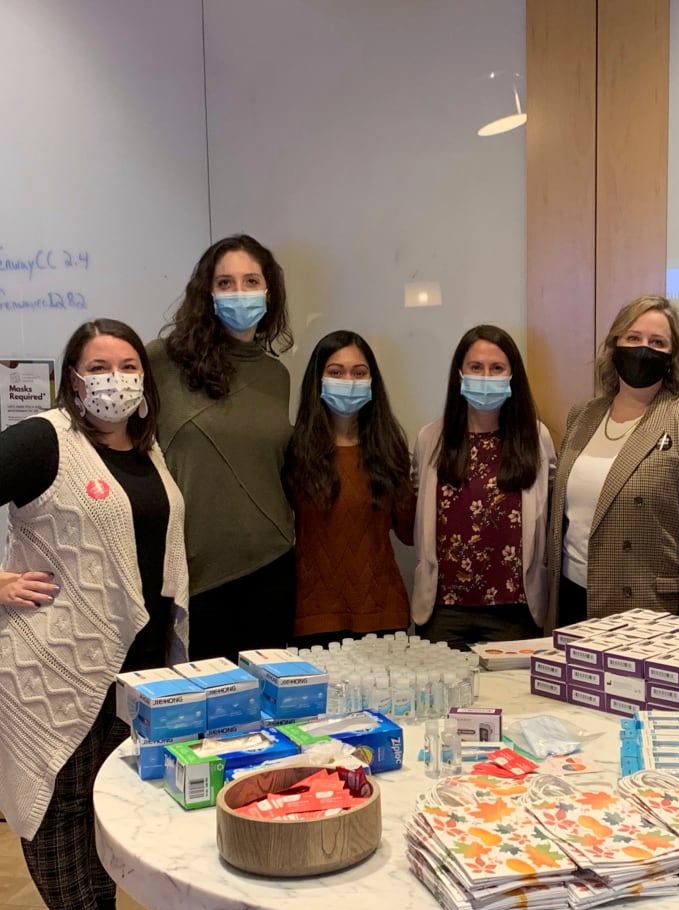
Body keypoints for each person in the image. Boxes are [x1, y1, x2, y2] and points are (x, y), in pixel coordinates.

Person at [0, 320, 188, 910]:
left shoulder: (147, 449)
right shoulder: (45, 439)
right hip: (54, 663)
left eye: (129, 363)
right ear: (73, 376)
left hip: (131, 667)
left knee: (101, 805)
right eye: (99, 364)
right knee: (58, 805)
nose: (116, 376)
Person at [148, 234, 295, 662]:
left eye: (251, 281)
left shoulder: (277, 377)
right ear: (206, 293)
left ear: (270, 292)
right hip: (196, 575)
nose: (239, 293)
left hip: (273, 564)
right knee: (206, 719)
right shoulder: (162, 360)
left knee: (268, 720)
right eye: (225, 283)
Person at [547, 294, 679, 626]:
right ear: (615, 345)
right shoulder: (583, 415)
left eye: (657, 342)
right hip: (572, 597)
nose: (643, 349)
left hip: (648, 610)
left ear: (671, 358)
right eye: (633, 338)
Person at [412, 324, 555, 648]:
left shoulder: (536, 438)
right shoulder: (430, 438)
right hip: (443, 610)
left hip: (515, 609)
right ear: (459, 374)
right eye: (476, 367)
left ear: (512, 375)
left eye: (497, 368)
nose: (486, 376)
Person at [286, 330, 415, 646]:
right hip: (312, 617)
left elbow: (409, 533)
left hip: (383, 613)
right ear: (318, 380)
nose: (349, 381)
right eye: (336, 372)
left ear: (373, 381)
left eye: (359, 373)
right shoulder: (292, 450)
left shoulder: (390, 447)